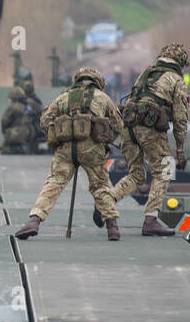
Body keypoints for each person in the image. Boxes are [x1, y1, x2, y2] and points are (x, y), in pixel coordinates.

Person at [15, 67, 125, 241]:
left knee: (54, 182)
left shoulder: (64, 97)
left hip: (65, 149)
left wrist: (58, 135)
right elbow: (119, 125)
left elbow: (44, 120)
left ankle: (34, 221)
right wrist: (106, 138)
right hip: (93, 148)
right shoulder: (103, 98)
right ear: (97, 82)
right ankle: (112, 227)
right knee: (100, 186)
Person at [110, 43, 190, 236]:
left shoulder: (147, 73)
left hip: (128, 126)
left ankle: (107, 200)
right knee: (165, 168)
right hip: (149, 128)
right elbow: (180, 119)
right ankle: (151, 220)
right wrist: (179, 150)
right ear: (180, 62)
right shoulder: (176, 80)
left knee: (137, 173)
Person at [0, 87, 35, 154]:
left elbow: (4, 120)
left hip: (14, 135)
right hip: (28, 135)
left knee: (3, 150)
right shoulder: (28, 107)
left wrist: (5, 131)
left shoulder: (12, 107)